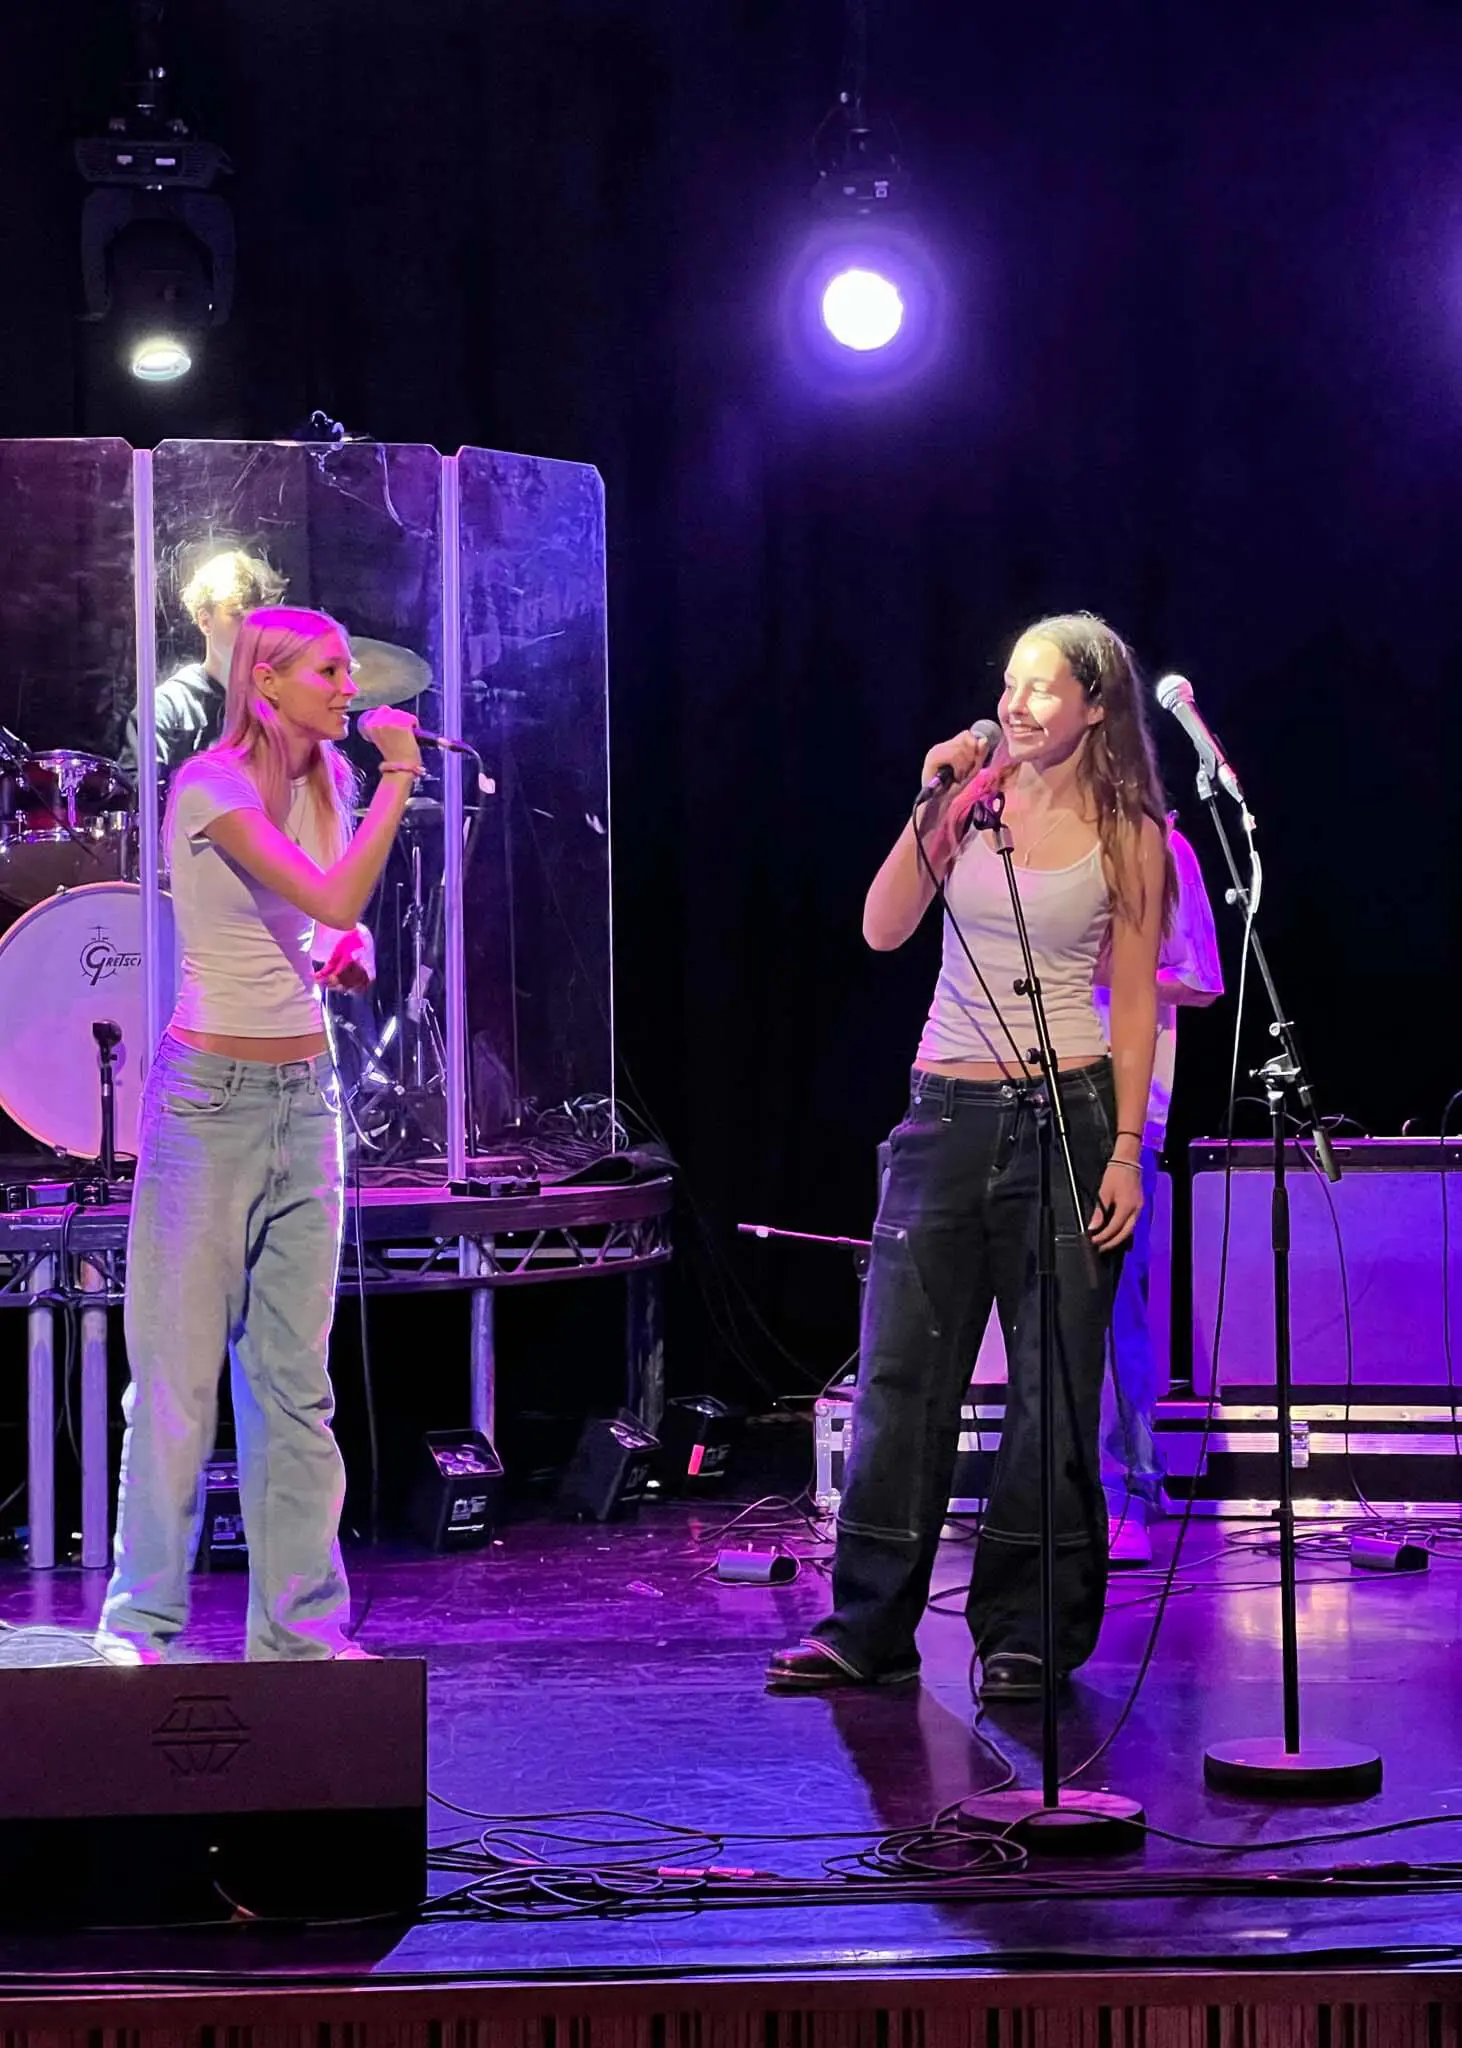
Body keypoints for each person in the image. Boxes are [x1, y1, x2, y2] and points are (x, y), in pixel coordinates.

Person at [768, 613, 1171, 1704]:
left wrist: (1127, 1150)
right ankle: (869, 1624)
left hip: (1069, 1110)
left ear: (1094, 705)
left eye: (1044, 689)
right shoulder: (971, 800)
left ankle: (1025, 1628)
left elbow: (1132, 999)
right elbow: (882, 926)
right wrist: (932, 800)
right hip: (943, 1110)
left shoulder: (1131, 827)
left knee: (1052, 1386)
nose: (1018, 704)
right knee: (903, 1376)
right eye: (1009, 684)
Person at [96, 606, 424, 1663]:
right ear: (268, 681)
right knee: (181, 1382)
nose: (350, 687)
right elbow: (329, 882)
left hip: (303, 1097)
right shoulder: (210, 786)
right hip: (208, 1104)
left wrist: (352, 946)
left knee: (296, 1382)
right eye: (330, 672)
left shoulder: (321, 784)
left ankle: (299, 1632)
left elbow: (333, 913)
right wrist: (401, 782)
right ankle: (139, 1625)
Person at [1096, 824, 1222, 1565]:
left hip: (1121, 1108)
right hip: (1017, 1096)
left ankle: (1127, 1494)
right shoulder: (1020, 832)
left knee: (1114, 1302)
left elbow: (1201, 979)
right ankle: (1046, 1493)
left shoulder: (1158, 846)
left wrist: (1101, 966)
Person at [119, 547, 432, 786]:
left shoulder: (287, 694)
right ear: (205, 620)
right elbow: (138, 797)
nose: (254, 632)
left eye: (261, 619)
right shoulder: (168, 707)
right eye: (240, 618)